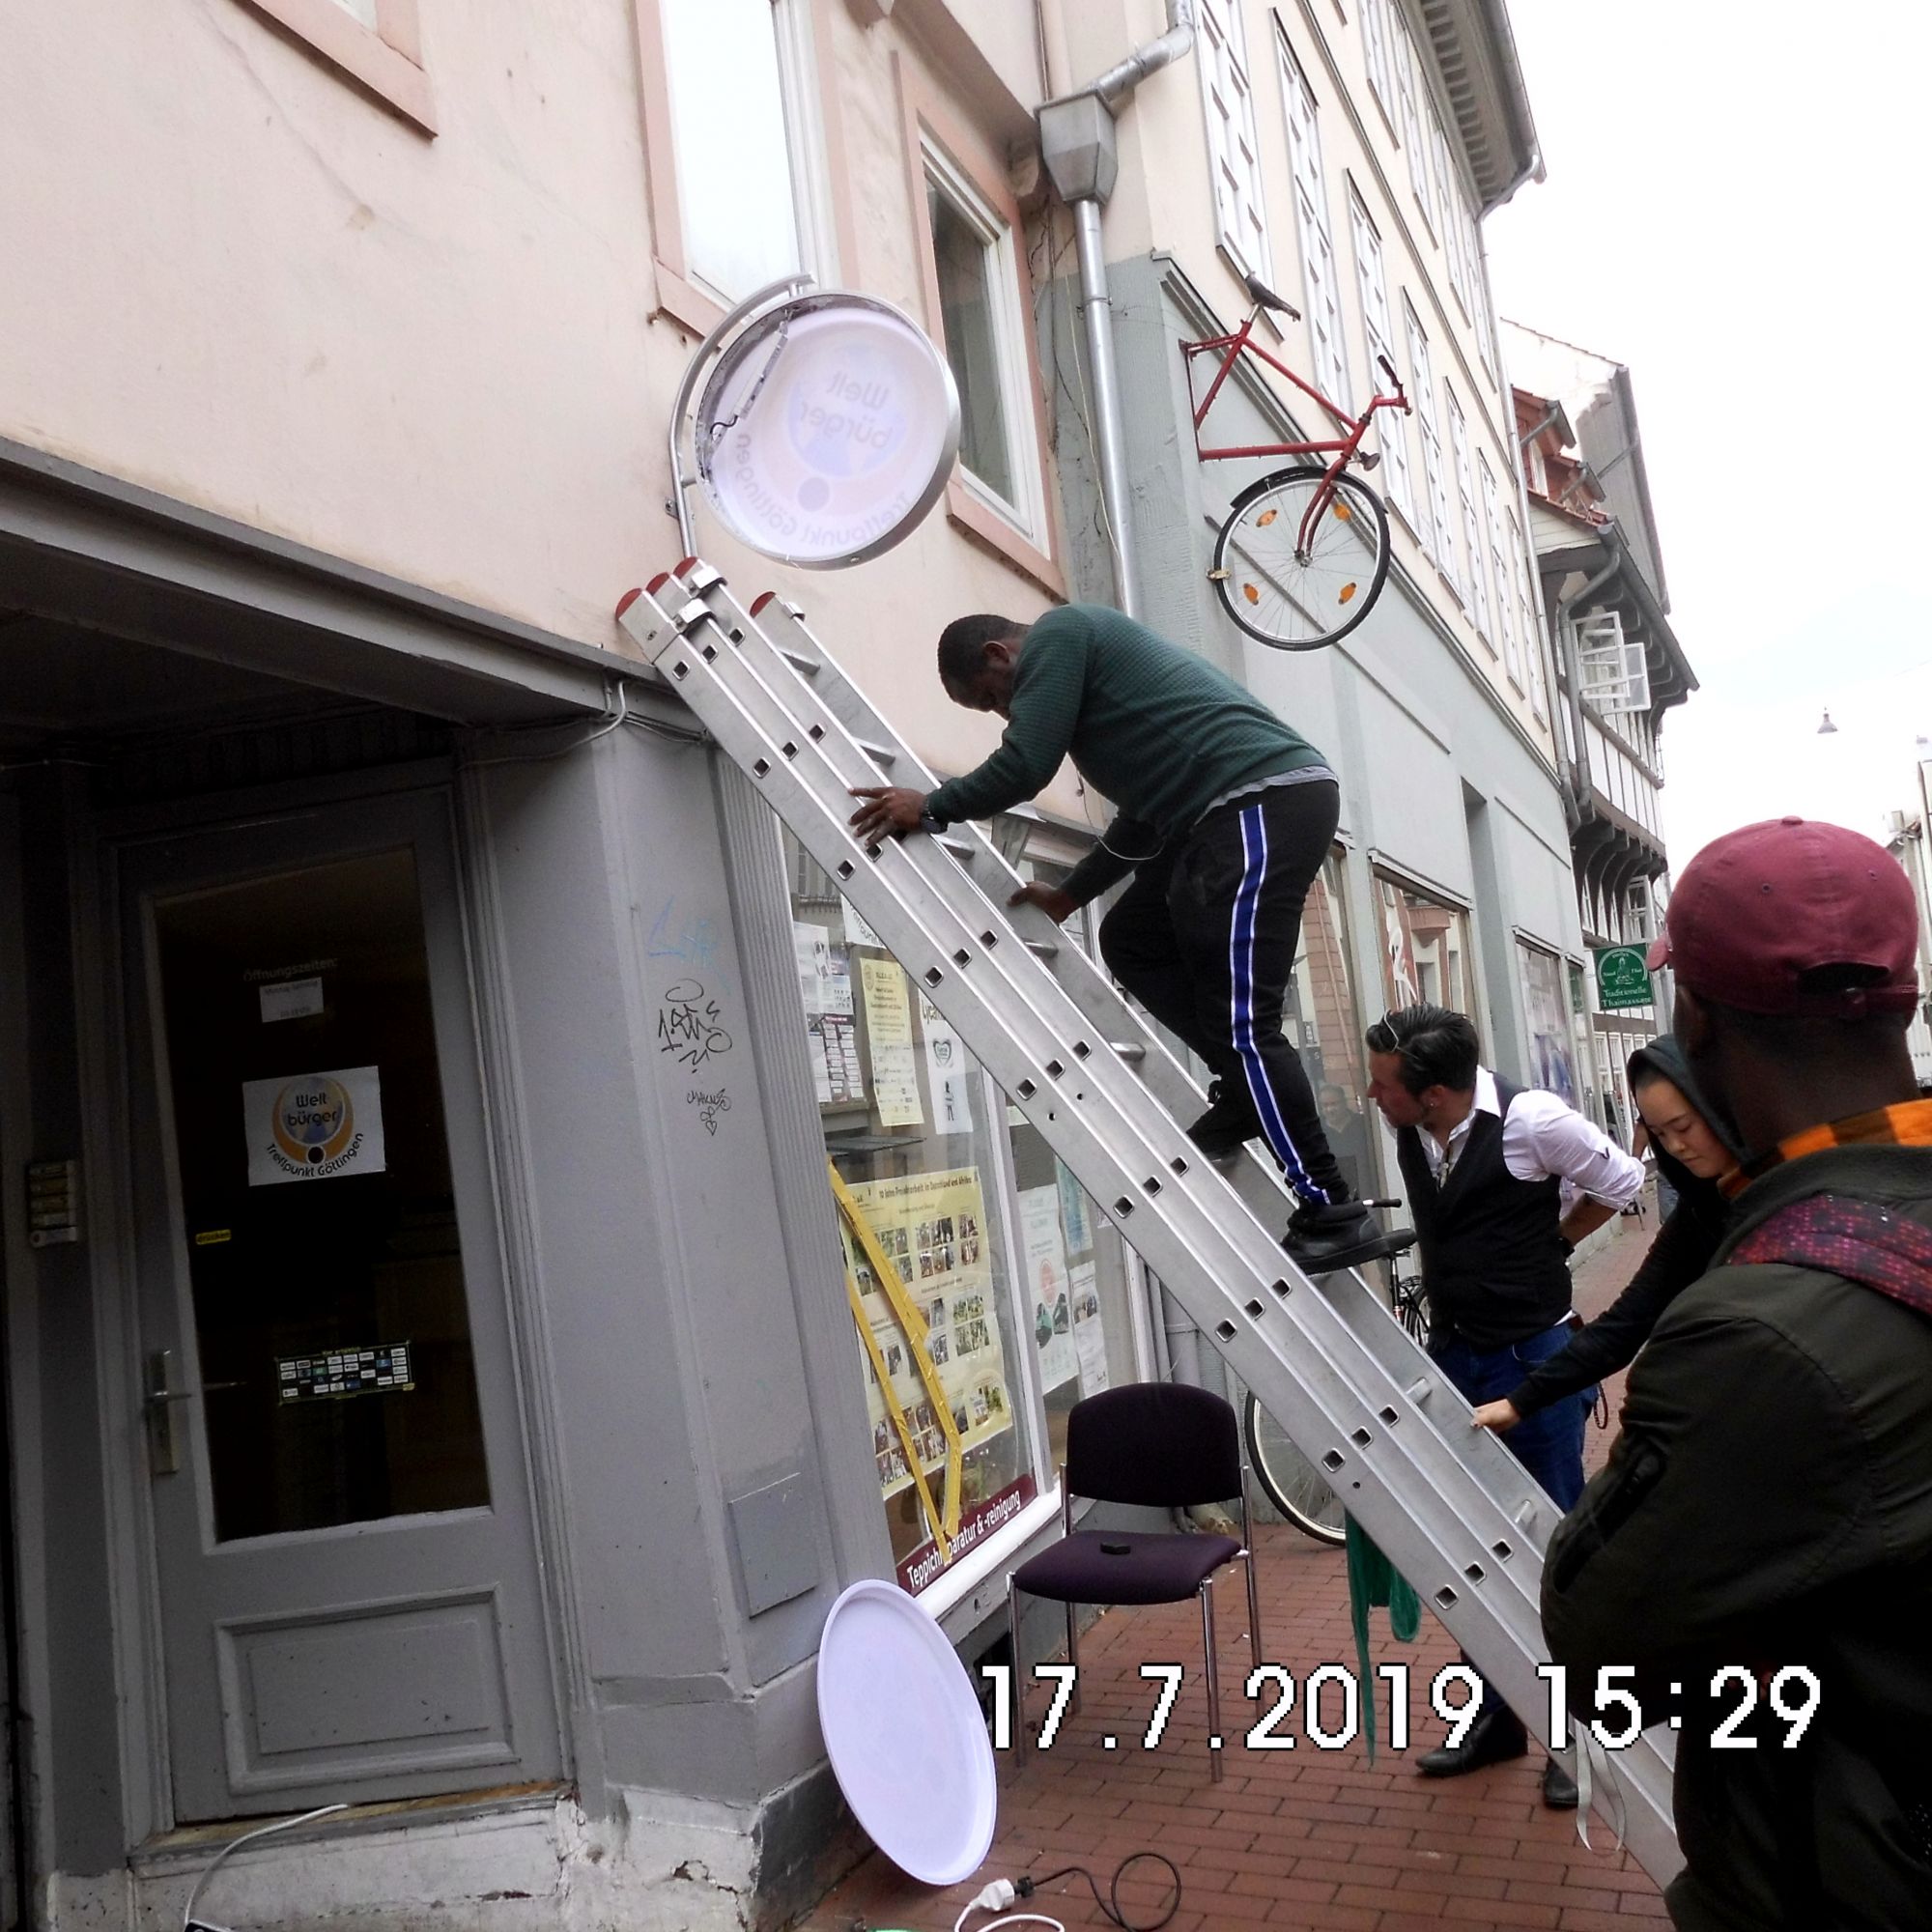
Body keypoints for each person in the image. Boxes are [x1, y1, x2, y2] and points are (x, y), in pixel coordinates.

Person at [1543, 818, 1932, 1930]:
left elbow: (1599, 1647)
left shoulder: (1757, 1329)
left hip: (1841, 1877)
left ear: (1696, 1021)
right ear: (1900, 999)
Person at [848, 605, 1387, 1274]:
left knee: (1247, 1022)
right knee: (1131, 938)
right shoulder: (1095, 691)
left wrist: (930, 806)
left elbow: (1025, 766)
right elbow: (1141, 820)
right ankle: (1246, 1092)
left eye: (991, 699)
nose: (1003, 714)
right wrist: (1072, 892)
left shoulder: (1058, 636)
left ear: (998, 654)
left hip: (1258, 802)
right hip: (1221, 812)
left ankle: (1332, 1208)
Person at [1363, 1002, 1644, 1807]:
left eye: (1385, 1085)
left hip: (1531, 1360)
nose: (1373, 1097)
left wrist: (1555, 1240)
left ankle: (1576, 1735)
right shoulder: (1415, 1126)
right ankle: (1498, 1721)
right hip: (1458, 1353)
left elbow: (1624, 1182)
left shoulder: (1534, 1121)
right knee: (1472, 1543)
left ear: (1436, 1092)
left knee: (1556, 1550)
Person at [1470, 1036, 1737, 1435]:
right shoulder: (1698, 1215)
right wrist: (1519, 1402)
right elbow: (1626, 1323)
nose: (1677, 1147)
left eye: (1683, 1126)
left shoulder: (1793, 1189)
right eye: (1659, 1134)